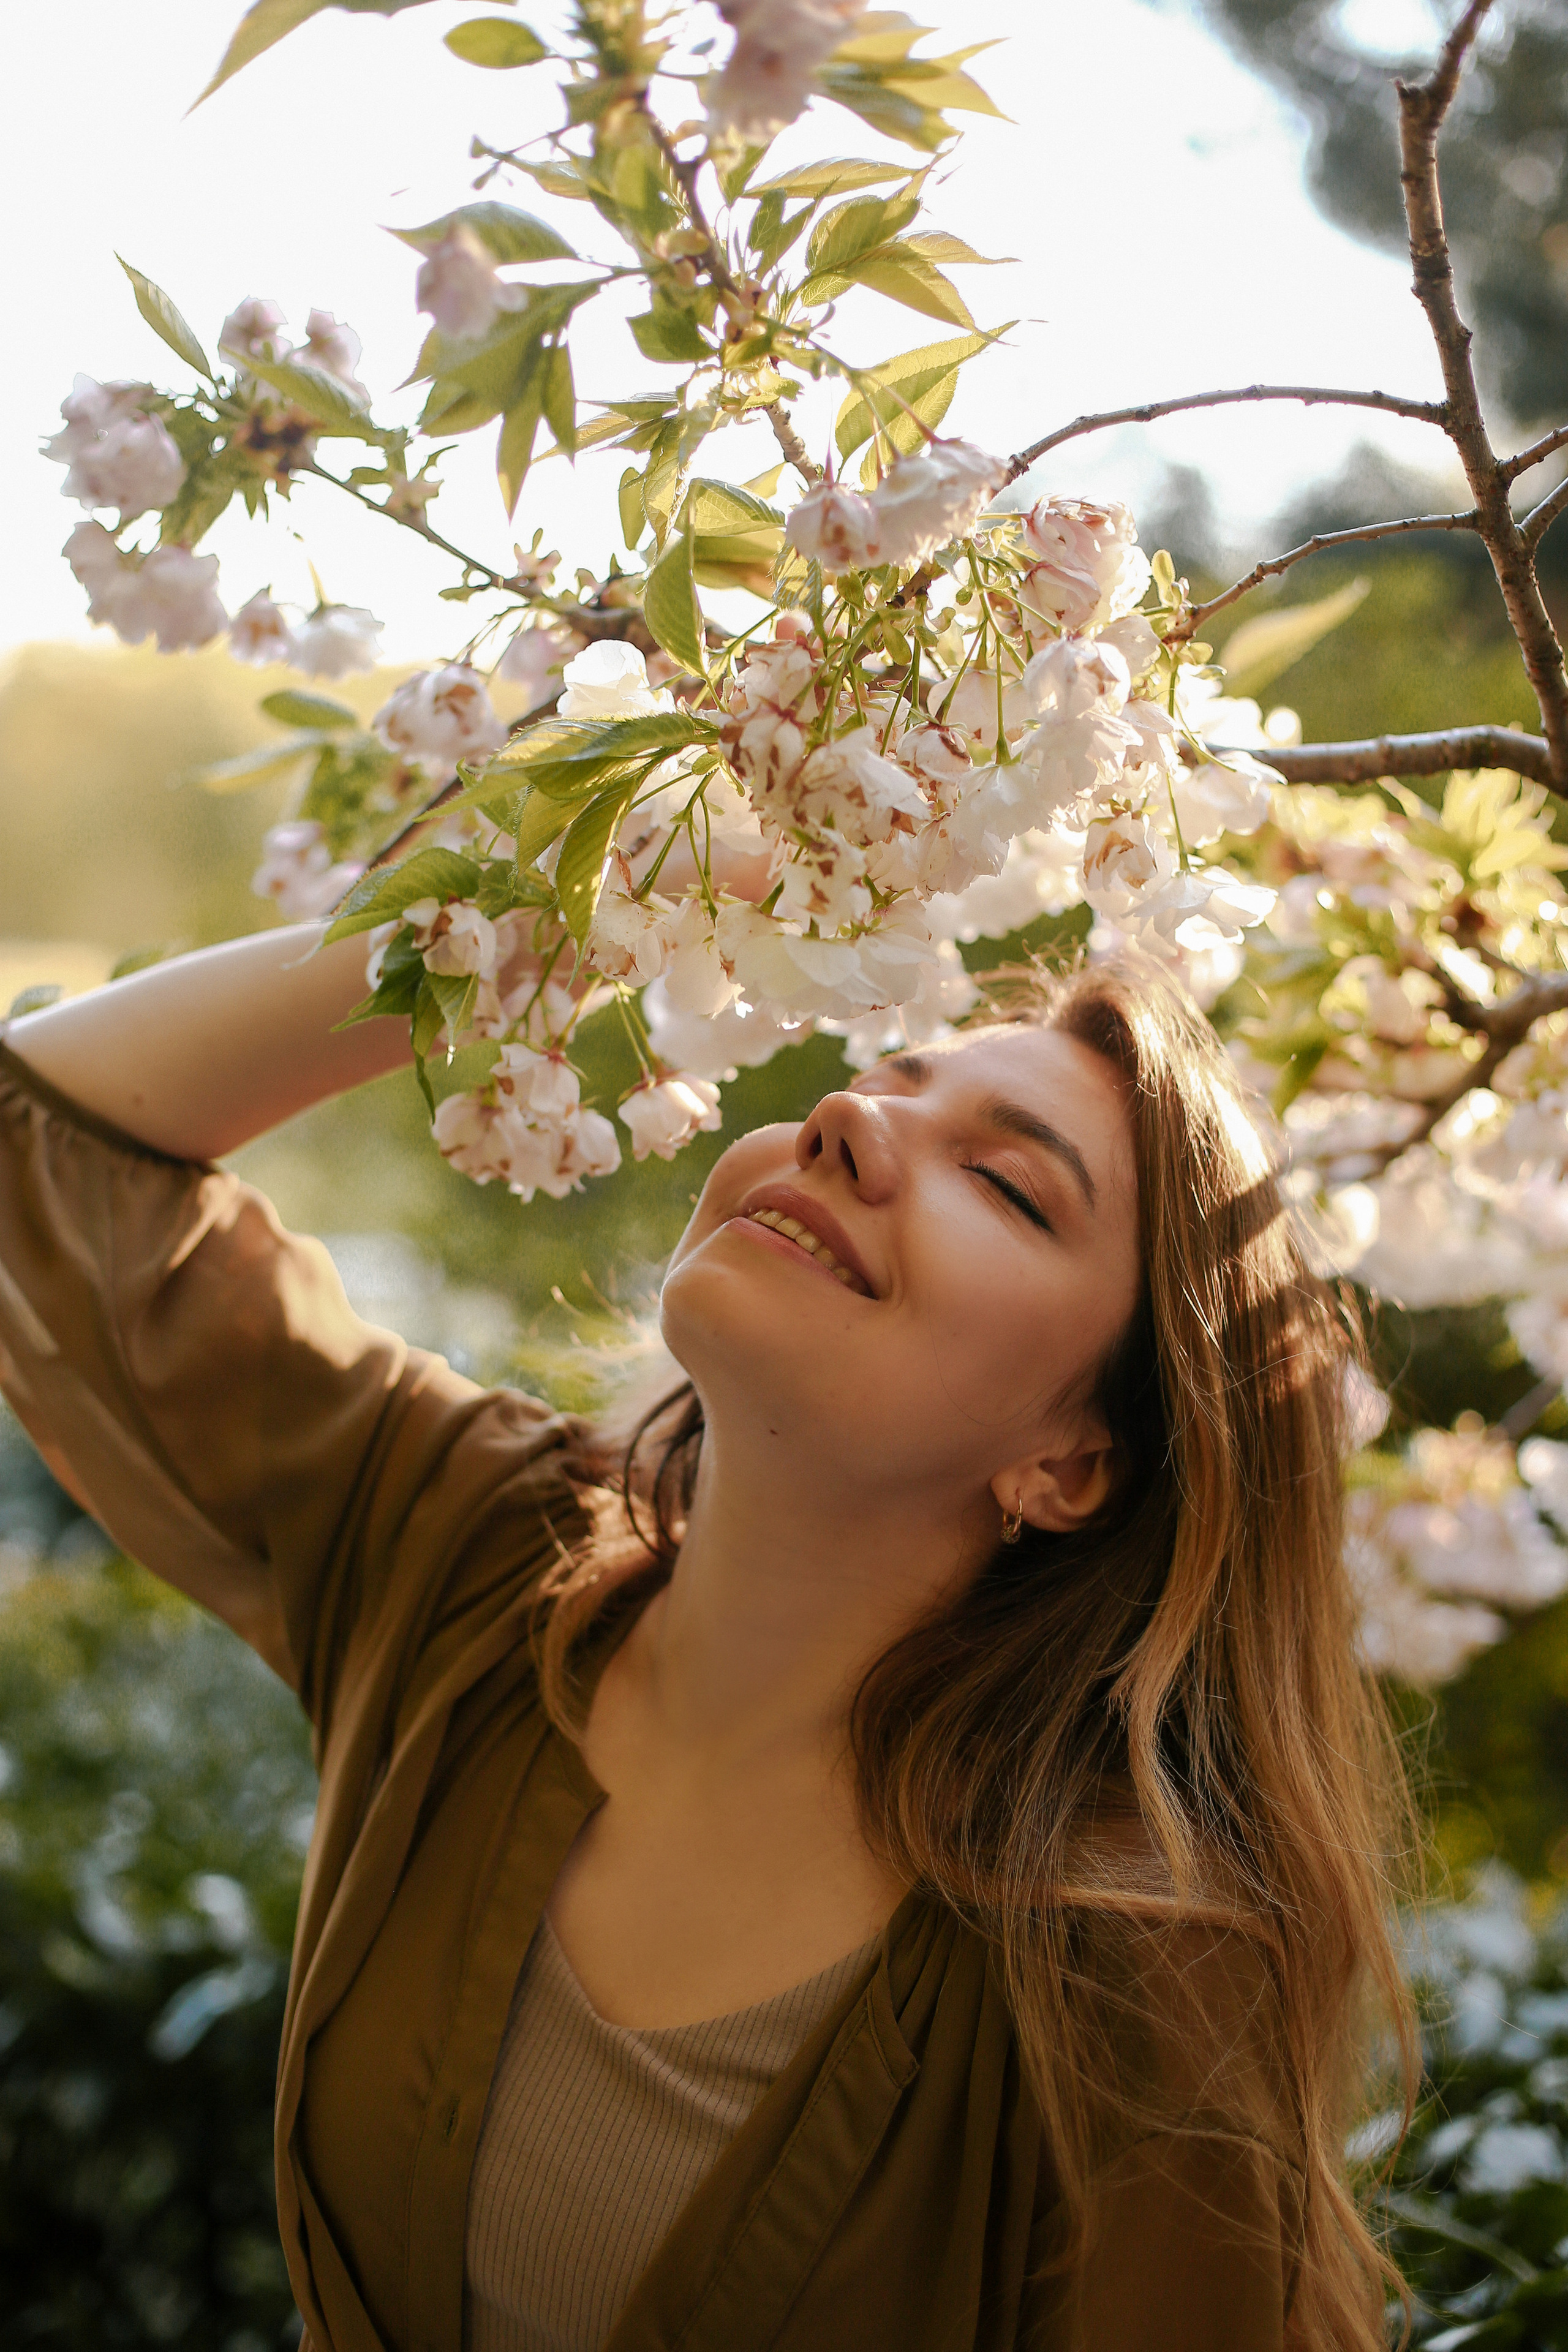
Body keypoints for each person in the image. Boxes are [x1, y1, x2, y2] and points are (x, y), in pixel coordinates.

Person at [0, 923, 1415, 2351]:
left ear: (1070, 1461)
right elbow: (44, 1145)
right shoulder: (474, 1558)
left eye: (1002, 1181)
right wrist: (546, 906)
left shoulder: (1134, 1968)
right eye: (875, 1080)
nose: (848, 1119)